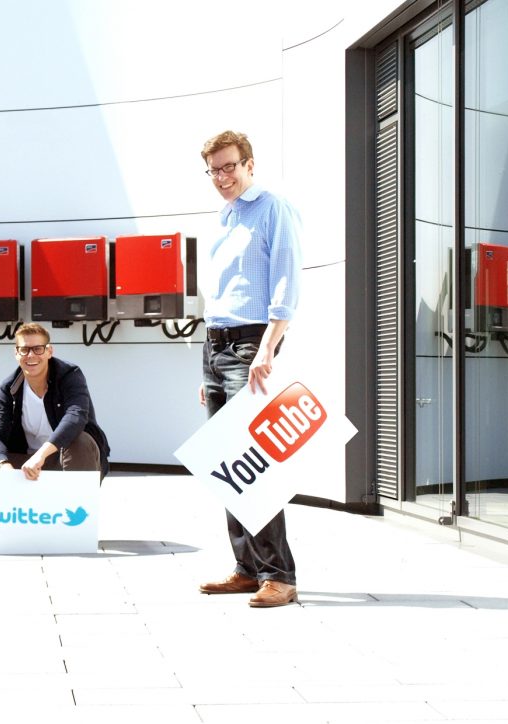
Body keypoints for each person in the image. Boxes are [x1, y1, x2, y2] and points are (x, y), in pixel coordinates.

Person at [195, 130, 303, 608]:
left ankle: (279, 574)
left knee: (252, 466)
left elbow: (286, 281)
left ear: (250, 164)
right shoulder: (224, 217)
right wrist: (206, 369)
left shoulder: (272, 208)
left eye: (229, 166)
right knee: (226, 464)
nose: (222, 177)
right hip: (215, 345)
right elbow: (219, 297)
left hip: (248, 346)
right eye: (214, 170)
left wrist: (266, 350)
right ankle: (247, 568)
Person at [0, 323, 109, 485]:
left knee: (79, 440)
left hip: (62, 457)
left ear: (49, 351)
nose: (31, 355)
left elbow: (75, 417)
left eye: (38, 349)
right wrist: (3, 466)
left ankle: (75, 505)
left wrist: (40, 456)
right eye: (24, 350)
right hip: (26, 461)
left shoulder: (70, 375)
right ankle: (17, 508)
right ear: (16, 353)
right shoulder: (9, 388)